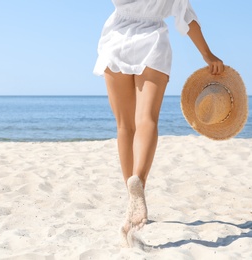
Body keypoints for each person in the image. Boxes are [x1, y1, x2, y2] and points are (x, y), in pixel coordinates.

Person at [93, 0, 224, 247]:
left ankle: (131, 200)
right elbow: (186, 17)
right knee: (147, 119)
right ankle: (138, 182)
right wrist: (207, 54)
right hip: (152, 41)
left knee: (124, 126)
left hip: (116, 39)